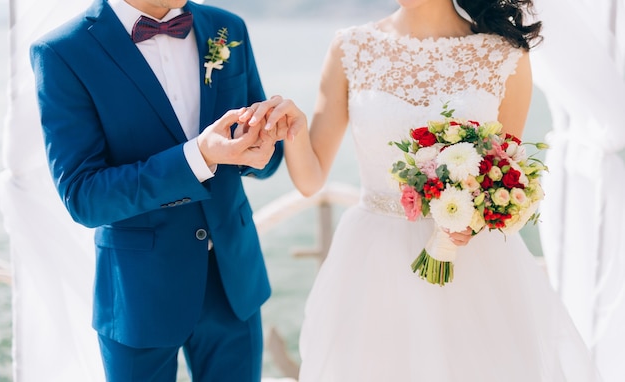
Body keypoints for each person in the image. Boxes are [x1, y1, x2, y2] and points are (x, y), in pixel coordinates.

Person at [283, 0, 603, 380]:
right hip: (372, 266)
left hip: (473, 266)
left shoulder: (504, 54)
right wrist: (294, 130)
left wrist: (472, 220)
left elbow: (505, 176)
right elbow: (310, 179)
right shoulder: (351, 48)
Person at [29, 0, 303, 380]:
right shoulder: (63, 52)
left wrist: (262, 145)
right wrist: (196, 157)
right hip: (139, 294)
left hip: (233, 282)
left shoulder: (228, 28)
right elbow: (84, 197)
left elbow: (263, 160)